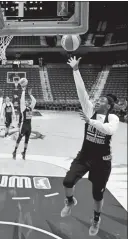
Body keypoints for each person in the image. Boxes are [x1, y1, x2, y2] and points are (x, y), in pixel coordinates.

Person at [61, 56, 119, 236]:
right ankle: (70, 201)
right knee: (67, 181)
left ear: (108, 106)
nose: (97, 101)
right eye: (98, 99)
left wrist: (90, 122)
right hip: (85, 155)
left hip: (102, 161)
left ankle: (96, 218)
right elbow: (82, 92)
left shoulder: (112, 118)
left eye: (101, 101)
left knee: (97, 195)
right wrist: (75, 70)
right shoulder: (90, 111)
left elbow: (109, 131)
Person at [12, 86, 36, 160]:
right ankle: (15, 151)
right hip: (24, 125)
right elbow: (22, 100)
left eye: (27, 102)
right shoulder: (23, 108)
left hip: (29, 126)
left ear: (29, 103)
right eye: (25, 102)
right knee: (19, 138)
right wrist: (23, 91)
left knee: (26, 141)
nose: (25, 102)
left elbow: (34, 101)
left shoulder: (30, 108)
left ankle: (24, 153)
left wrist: (30, 94)